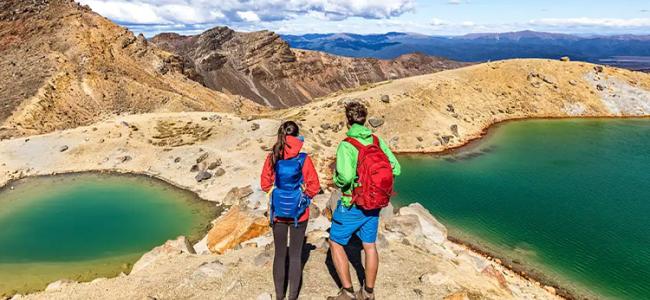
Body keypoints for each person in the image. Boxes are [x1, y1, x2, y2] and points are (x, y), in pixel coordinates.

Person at [328, 102, 401, 300]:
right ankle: (368, 292)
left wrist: (336, 179)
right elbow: (396, 168)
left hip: (353, 203)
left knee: (335, 242)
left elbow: (345, 177)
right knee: (369, 245)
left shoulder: (347, 145)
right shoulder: (376, 141)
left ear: (348, 121)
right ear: (365, 118)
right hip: (375, 204)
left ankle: (348, 293)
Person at [260, 121, 320, 300]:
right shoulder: (303, 159)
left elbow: (264, 184)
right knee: (295, 256)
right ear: (297, 136)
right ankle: (292, 297)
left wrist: (276, 192)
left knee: (280, 255)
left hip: (278, 213)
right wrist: (303, 199)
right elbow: (314, 186)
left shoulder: (273, 156)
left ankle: (279, 296)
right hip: (299, 215)